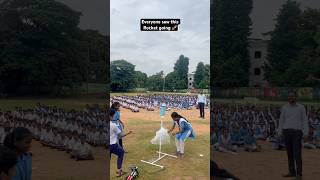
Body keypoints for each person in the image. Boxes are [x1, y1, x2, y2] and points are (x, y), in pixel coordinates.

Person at [278, 91, 308, 179]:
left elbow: (304, 121)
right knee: (289, 153)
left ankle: (299, 174)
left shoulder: (301, 107)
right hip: (286, 132)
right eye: (289, 96)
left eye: (293, 96)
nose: (291, 98)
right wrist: (279, 132)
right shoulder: (284, 107)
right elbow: (281, 121)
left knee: (297, 154)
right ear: (288, 98)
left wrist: (305, 133)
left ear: (296, 97)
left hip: (297, 132)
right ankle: (292, 172)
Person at [109, 109, 132, 177]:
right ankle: (119, 171)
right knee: (121, 153)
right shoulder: (113, 125)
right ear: (112, 116)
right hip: (112, 145)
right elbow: (120, 135)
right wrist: (129, 133)